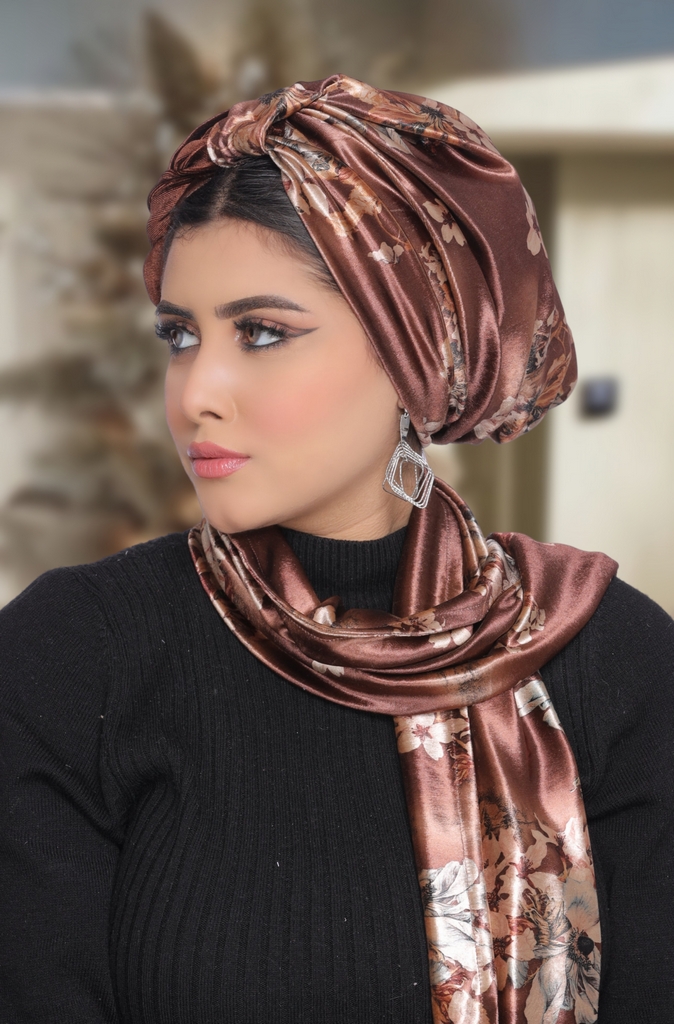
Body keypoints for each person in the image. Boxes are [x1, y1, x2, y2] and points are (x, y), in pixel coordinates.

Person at [0, 75, 672, 1024]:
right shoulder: (78, 653)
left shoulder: (604, 655)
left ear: (416, 350)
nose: (196, 393)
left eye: (263, 332)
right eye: (180, 336)